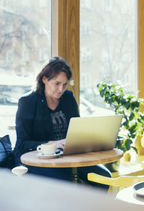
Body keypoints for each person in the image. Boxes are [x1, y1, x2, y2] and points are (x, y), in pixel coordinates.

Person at [14, 57, 111, 188]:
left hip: (67, 156)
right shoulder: (27, 102)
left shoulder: (68, 98)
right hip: (38, 160)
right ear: (44, 80)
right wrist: (52, 144)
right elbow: (21, 145)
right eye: (57, 83)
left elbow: (77, 130)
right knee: (64, 180)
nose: (61, 89)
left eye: (65, 84)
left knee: (103, 178)